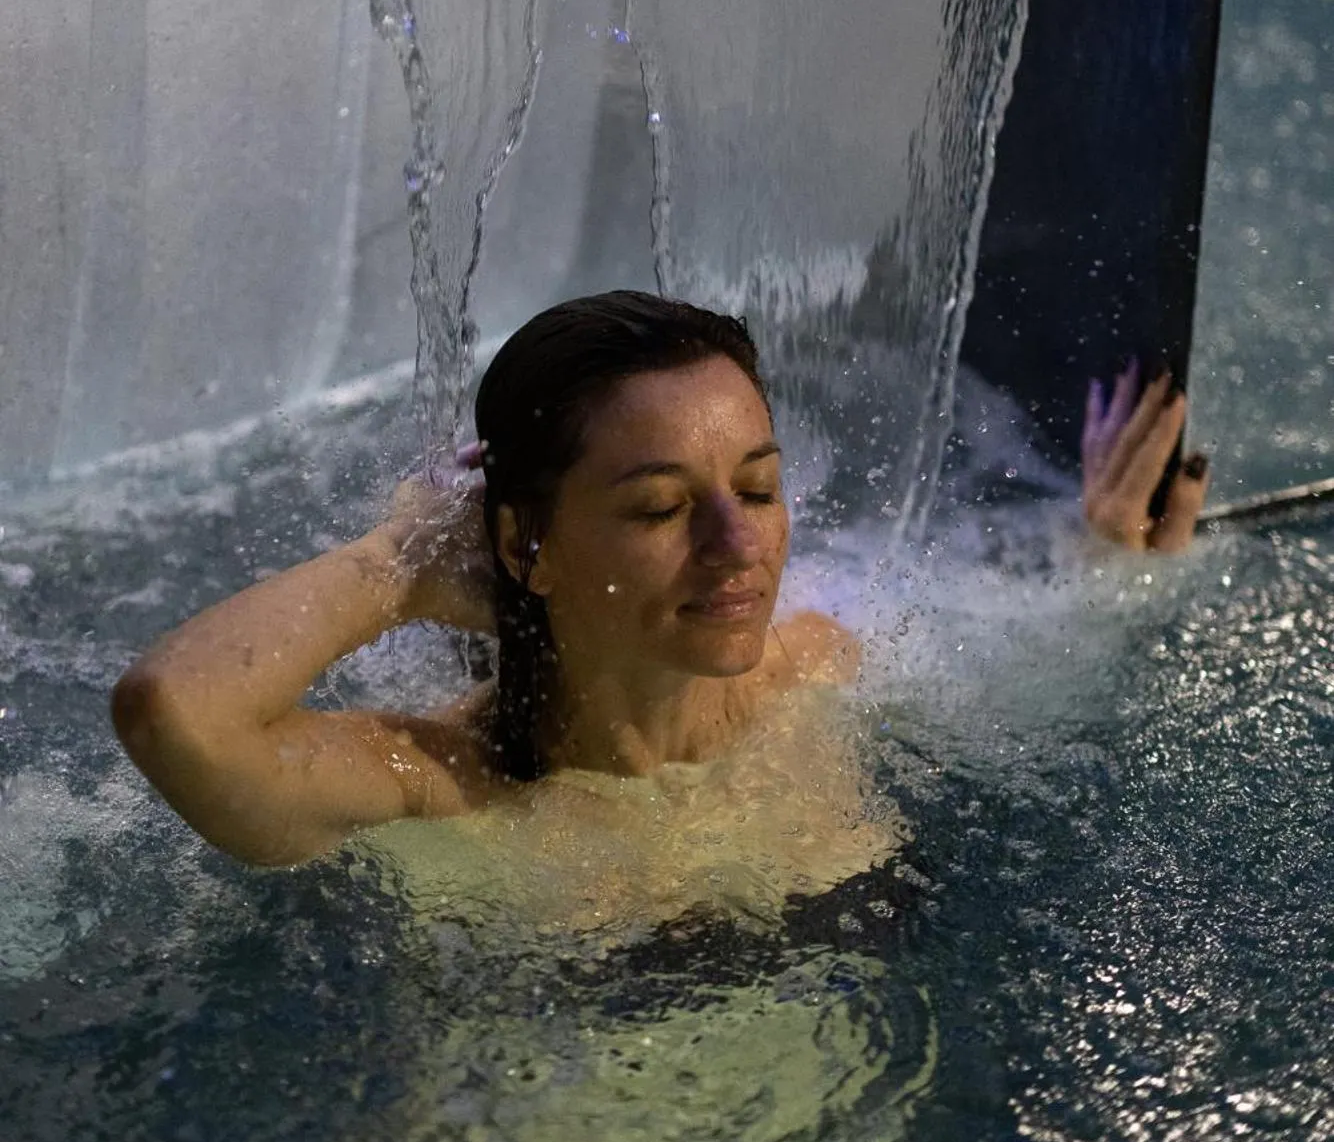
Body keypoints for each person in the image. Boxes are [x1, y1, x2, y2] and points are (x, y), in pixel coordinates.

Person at [111, 292, 1209, 867]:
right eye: (659, 507)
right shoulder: (438, 787)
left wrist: (1099, 564)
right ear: (522, 545)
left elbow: (1039, 683)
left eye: (759, 486)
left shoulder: (814, 675)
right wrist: (394, 563)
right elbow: (174, 712)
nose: (738, 546)